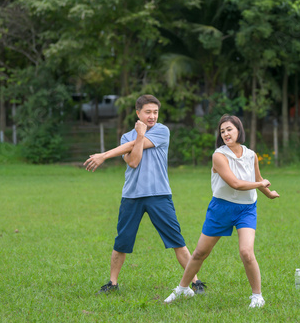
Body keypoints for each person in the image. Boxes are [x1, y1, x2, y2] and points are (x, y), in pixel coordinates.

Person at [83, 94, 206, 295]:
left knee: (177, 240)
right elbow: (133, 161)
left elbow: (134, 149)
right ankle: (113, 284)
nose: (152, 116)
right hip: (132, 196)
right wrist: (138, 136)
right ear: (138, 112)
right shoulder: (126, 137)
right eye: (148, 112)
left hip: (159, 194)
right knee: (122, 241)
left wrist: (105, 155)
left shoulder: (162, 131)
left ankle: (195, 281)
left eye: (155, 112)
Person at [163, 114, 279, 308]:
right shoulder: (219, 155)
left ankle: (257, 297)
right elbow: (235, 183)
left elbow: (257, 178)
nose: (225, 133)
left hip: (247, 209)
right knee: (200, 252)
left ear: (239, 130)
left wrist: (268, 193)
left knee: (246, 252)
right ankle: (183, 288)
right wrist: (260, 183)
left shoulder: (251, 155)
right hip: (221, 208)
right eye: (222, 131)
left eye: (229, 129)